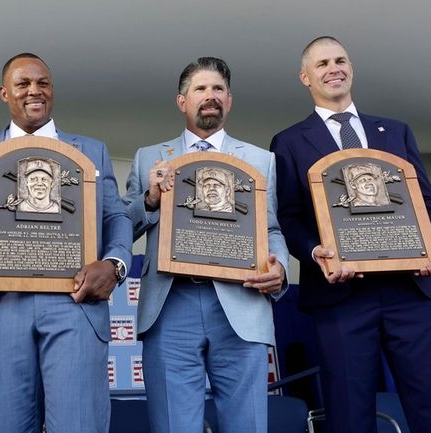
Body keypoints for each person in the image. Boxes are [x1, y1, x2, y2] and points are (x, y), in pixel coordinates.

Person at [270, 36, 431, 433]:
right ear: (305, 77)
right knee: (348, 413)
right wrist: (313, 252)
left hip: (412, 290)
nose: (333, 68)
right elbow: (288, 217)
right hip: (341, 298)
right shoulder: (288, 142)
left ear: (351, 68)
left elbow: (427, 203)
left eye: (340, 60)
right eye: (322, 63)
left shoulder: (395, 131)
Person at [0, 53, 132, 433]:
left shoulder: (91, 150)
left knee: (79, 425)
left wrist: (115, 264)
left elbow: (116, 218)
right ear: (4, 93)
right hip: (0, 307)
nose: (34, 91)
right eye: (22, 84)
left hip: (74, 301)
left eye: (43, 83)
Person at [122, 56, 288, 433]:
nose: (209, 96)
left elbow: (272, 229)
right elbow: (123, 228)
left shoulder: (261, 160)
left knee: (247, 425)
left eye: (218, 89)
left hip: (240, 305)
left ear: (229, 100)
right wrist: (149, 199)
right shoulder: (149, 157)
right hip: (170, 305)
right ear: (182, 101)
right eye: (200, 88)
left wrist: (280, 269)